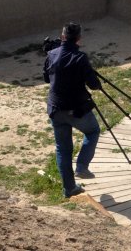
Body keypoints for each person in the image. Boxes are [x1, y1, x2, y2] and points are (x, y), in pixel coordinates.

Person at [43, 22, 101, 198]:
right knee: (93, 131)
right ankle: (82, 166)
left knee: (63, 149)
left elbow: (47, 78)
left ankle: (69, 189)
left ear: (62, 36)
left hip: (55, 109)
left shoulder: (51, 54)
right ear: (79, 38)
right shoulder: (80, 58)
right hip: (76, 110)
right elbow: (94, 85)